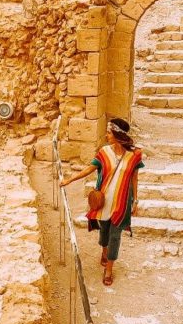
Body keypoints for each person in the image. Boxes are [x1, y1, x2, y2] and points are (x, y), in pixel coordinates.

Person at [60, 118, 144, 286]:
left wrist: (135, 201)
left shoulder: (134, 155)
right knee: (104, 231)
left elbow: (134, 178)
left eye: (109, 132)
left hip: (122, 203)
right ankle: (104, 251)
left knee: (115, 235)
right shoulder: (104, 152)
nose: (106, 135)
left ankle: (109, 269)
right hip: (103, 201)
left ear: (118, 134)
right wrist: (70, 179)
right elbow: (89, 169)